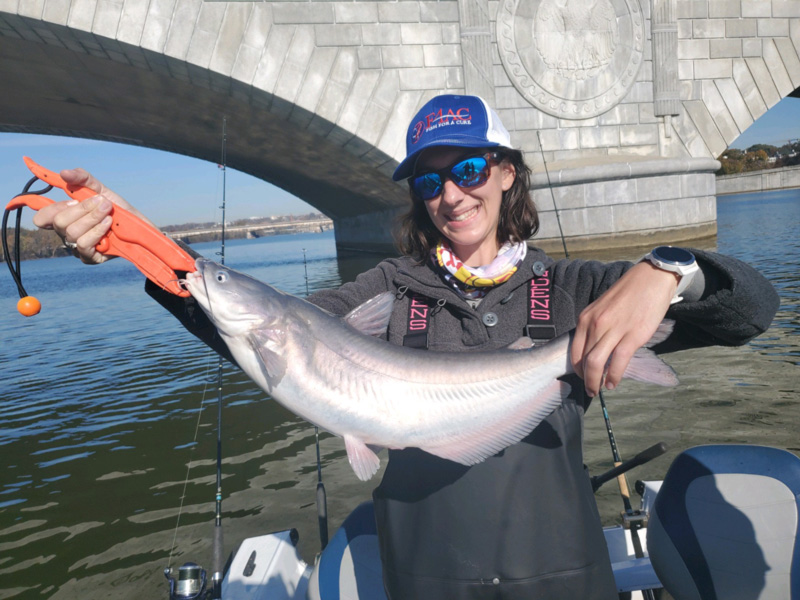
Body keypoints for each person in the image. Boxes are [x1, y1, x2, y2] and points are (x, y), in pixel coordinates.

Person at [34, 94, 779, 599]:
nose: (452, 195)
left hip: (567, 578)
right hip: (423, 580)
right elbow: (259, 330)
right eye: (430, 181)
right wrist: (139, 243)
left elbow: (746, 314)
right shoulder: (381, 291)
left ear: (506, 171)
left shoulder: (582, 290)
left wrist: (673, 269)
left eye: (468, 169)